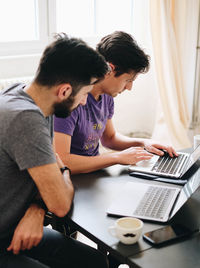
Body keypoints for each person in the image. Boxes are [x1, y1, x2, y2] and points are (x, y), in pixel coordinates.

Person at [0, 33, 109, 268]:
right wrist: (65, 170)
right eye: (84, 94)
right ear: (65, 91)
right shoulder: (25, 119)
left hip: (13, 227)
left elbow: (45, 174)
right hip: (5, 239)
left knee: (96, 262)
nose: (83, 102)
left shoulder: (27, 97)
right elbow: (59, 204)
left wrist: (36, 209)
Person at [54, 31, 177, 174]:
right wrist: (117, 157)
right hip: (72, 179)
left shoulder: (106, 97)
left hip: (94, 174)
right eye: (128, 80)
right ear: (110, 70)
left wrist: (143, 143)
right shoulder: (72, 100)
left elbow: (109, 138)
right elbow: (62, 161)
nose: (129, 87)